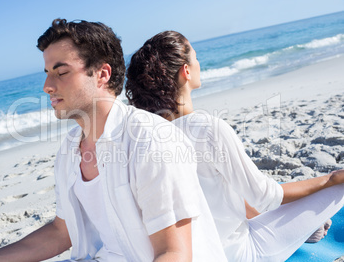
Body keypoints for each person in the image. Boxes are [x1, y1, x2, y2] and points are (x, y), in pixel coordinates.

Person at [0, 20, 227, 262]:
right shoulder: (70, 149)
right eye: (47, 73)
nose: (47, 86)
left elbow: (173, 253)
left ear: (102, 74)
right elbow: (62, 232)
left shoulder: (151, 139)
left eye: (61, 72)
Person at [125, 30, 344, 262]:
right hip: (240, 253)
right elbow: (266, 196)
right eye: (195, 58)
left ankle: (305, 230)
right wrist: (330, 179)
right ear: (186, 71)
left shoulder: (148, 138)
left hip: (191, 253)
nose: (199, 63)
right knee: (338, 185)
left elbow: (231, 198)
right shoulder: (208, 128)